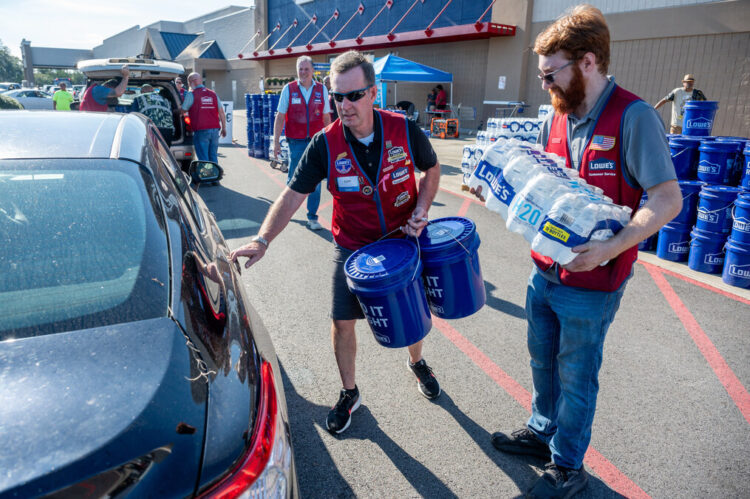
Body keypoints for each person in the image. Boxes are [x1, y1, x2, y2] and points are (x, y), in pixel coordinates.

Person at [472, 5, 682, 498]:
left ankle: (568, 464)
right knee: (542, 360)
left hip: (594, 281)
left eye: (551, 73)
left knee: (578, 373)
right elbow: (546, 187)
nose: (545, 85)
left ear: (588, 62)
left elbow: (668, 199)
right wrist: (500, 192)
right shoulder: (559, 116)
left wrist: (613, 246)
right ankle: (542, 430)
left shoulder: (634, 117)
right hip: (545, 271)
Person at [230, 50, 443, 435]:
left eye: (353, 95)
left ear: (373, 93)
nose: (344, 105)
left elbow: (431, 168)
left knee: (412, 314)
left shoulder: (403, 128)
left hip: (402, 240)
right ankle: (350, 393)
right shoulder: (324, 144)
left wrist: (423, 208)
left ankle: (416, 363)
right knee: (342, 321)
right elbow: (293, 195)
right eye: (337, 97)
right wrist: (262, 240)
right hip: (353, 248)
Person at [273, 56, 332, 231]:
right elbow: (280, 116)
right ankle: (284, 211)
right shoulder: (289, 89)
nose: (303, 72)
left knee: (315, 179)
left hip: (316, 141)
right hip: (296, 142)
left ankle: (312, 217)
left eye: (306, 69)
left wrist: (329, 140)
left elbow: (326, 117)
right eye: (300, 69)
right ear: (297, 70)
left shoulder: (322, 89)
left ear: (313, 70)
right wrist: (276, 142)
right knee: (293, 177)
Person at [182, 72, 227, 164]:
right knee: (213, 156)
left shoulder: (192, 94)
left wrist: (175, 111)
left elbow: (183, 110)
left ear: (191, 82)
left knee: (203, 158)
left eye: (188, 83)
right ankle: (214, 177)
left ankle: (206, 176)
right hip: (215, 130)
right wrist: (224, 128)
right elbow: (221, 112)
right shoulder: (213, 94)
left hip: (201, 130)